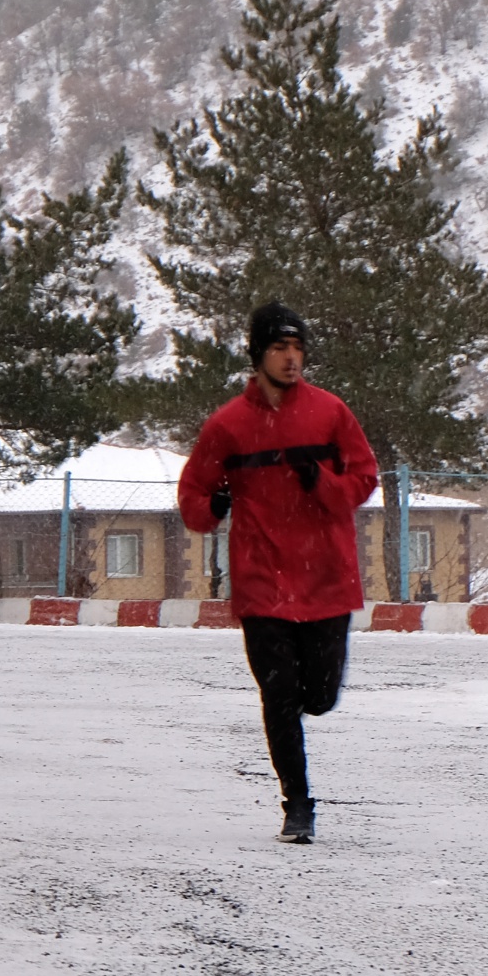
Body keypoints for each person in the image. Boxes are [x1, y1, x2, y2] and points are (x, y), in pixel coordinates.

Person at [178, 302, 377, 843]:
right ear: (258, 354)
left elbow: (363, 479)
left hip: (326, 579)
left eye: (297, 349)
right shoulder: (228, 425)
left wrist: (322, 482)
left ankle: (306, 746)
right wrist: (214, 506)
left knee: (319, 696)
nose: (291, 359)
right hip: (262, 580)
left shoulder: (331, 413)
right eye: (278, 349)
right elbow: (193, 495)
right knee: (280, 694)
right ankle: (298, 803)